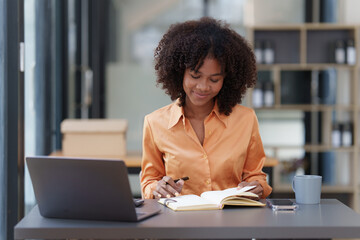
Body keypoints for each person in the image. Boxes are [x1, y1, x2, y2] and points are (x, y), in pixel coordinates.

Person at [140, 17, 272, 200]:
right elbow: (149, 181)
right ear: (180, 73)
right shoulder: (155, 123)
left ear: (227, 79)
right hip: (178, 223)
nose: (203, 87)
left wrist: (257, 186)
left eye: (214, 79)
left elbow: (256, 176)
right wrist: (156, 188)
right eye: (195, 76)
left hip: (231, 220)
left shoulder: (246, 119)